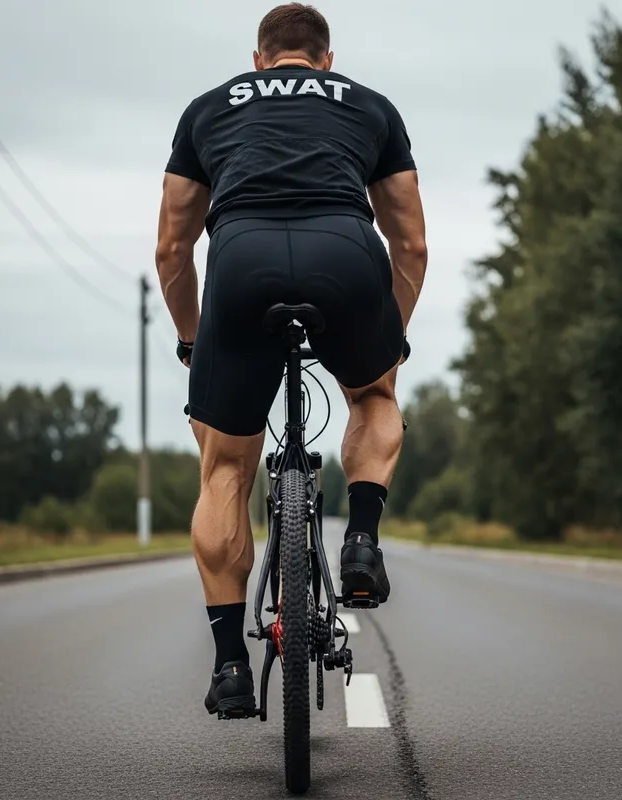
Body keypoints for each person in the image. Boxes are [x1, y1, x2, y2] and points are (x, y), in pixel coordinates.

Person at [155, 3, 428, 715]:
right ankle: (362, 541)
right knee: (373, 396)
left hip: (240, 262)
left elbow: (171, 249)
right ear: (326, 61)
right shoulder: (370, 106)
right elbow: (413, 244)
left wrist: (193, 340)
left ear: (258, 61)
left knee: (224, 466)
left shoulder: (208, 109)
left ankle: (228, 668)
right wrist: (387, 335)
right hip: (344, 252)